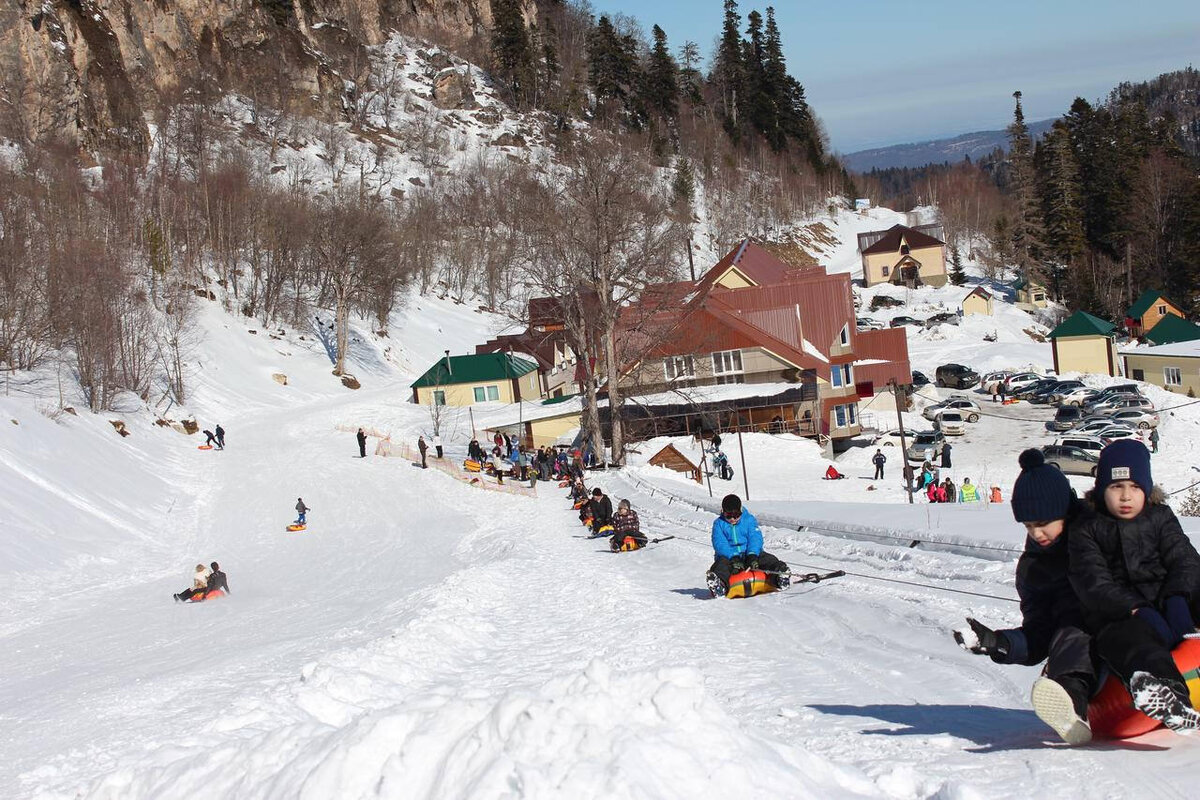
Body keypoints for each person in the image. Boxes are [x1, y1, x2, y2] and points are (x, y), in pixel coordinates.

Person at [954, 449, 1096, 744]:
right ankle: (1071, 705)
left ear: (1065, 511)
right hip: (1084, 653)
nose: (1037, 533)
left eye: (1043, 523)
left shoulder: (1100, 530)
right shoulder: (1034, 569)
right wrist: (1002, 644)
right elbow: (1039, 632)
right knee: (1069, 633)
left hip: (1130, 625)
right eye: (1029, 526)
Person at [1069, 440, 1200, 733]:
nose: (1126, 496)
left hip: (1167, 600)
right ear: (1102, 489)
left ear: (1146, 489)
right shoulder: (1086, 527)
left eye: (1134, 487)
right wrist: (1136, 608)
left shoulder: (1160, 517)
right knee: (1133, 641)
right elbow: (1093, 582)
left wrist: (1178, 599)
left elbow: (1185, 560)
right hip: (1119, 614)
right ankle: (1170, 697)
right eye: (1116, 487)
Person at [706, 494, 791, 596]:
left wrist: (752, 554)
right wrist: (733, 557)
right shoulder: (719, 524)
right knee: (720, 565)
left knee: (767, 559)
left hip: (749, 554)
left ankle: (780, 575)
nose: (733, 519)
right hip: (730, 558)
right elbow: (719, 543)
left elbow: (755, 537)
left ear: (741, 511)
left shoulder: (749, 520)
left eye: (736, 515)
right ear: (723, 512)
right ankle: (720, 585)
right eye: (729, 516)